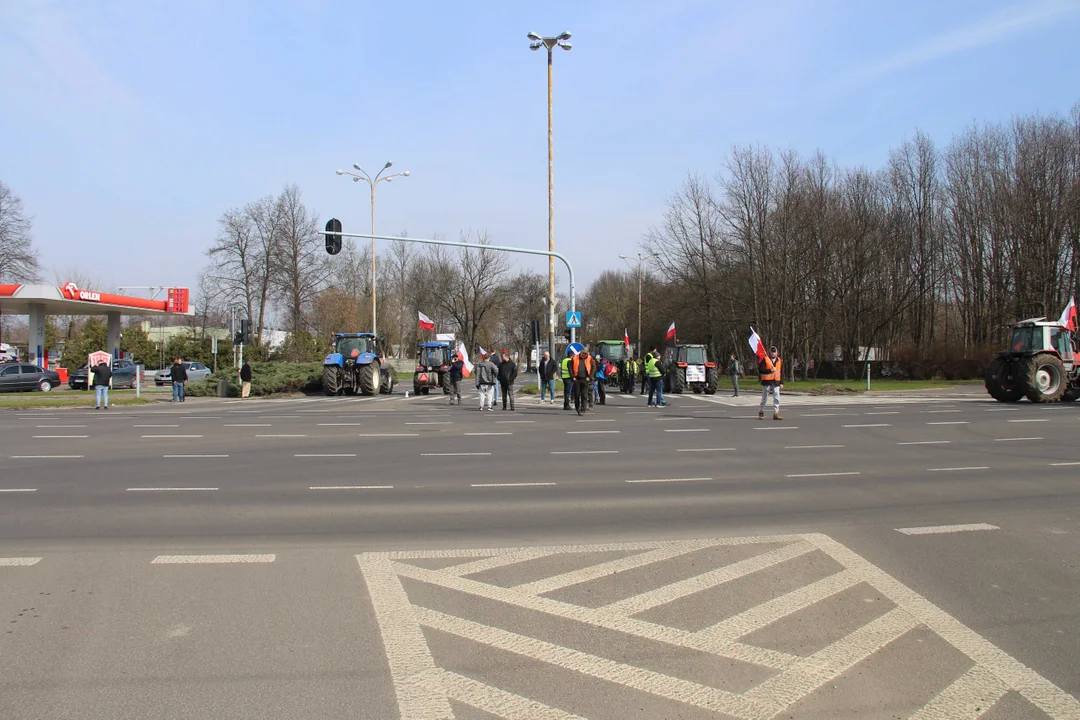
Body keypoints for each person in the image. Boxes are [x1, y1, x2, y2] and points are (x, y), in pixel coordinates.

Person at [758, 345, 783, 420]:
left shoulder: (779, 360)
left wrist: (782, 382)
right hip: (767, 381)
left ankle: (776, 413)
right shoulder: (765, 359)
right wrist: (770, 370)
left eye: (774, 352)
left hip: (776, 382)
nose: (773, 353)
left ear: (776, 352)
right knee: (764, 398)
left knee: (777, 398)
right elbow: (760, 370)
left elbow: (782, 372)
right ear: (769, 352)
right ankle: (761, 412)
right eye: (772, 352)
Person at [570, 349, 593, 414]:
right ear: (580, 353)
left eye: (585, 354)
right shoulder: (575, 358)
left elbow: (593, 368)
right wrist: (572, 377)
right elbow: (570, 368)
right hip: (577, 379)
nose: (584, 355)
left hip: (585, 379)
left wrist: (590, 377)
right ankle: (577, 408)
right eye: (583, 353)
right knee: (577, 395)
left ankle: (583, 409)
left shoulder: (589, 358)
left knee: (584, 395)